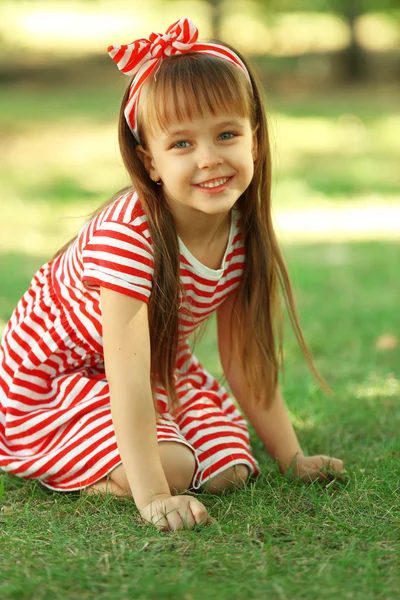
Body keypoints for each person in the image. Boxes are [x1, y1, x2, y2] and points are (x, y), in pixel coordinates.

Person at [0, 18, 345, 533]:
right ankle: (79, 469)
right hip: (53, 381)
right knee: (176, 468)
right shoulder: (129, 236)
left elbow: (244, 358)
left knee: (230, 469)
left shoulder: (240, 233)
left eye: (226, 134)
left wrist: (292, 458)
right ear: (150, 161)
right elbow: (127, 376)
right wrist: (154, 496)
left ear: (254, 140)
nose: (209, 159)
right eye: (181, 144)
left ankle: (145, 451)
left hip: (157, 366)